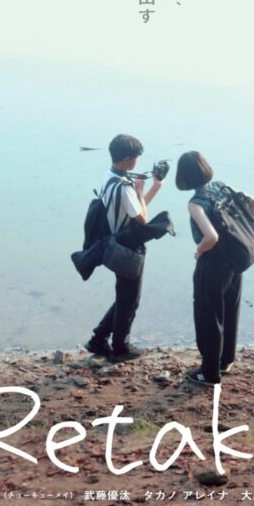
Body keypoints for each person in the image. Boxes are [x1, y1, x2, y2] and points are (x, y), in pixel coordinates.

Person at [175, 151, 254, 386]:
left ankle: (210, 373)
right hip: (234, 262)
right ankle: (226, 361)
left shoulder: (196, 204)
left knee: (209, 317)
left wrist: (199, 251)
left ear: (184, 176)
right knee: (230, 310)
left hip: (212, 266)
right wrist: (239, 235)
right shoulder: (223, 187)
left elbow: (211, 237)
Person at [84, 134, 166, 363]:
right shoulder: (125, 188)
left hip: (114, 243)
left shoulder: (109, 177)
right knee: (130, 300)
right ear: (128, 159)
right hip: (127, 249)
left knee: (125, 296)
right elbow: (143, 218)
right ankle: (120, 347)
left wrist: (152, 187)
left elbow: (135, 210)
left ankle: (98, 338)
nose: (138, 161)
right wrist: (141, 190)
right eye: (137, 157)